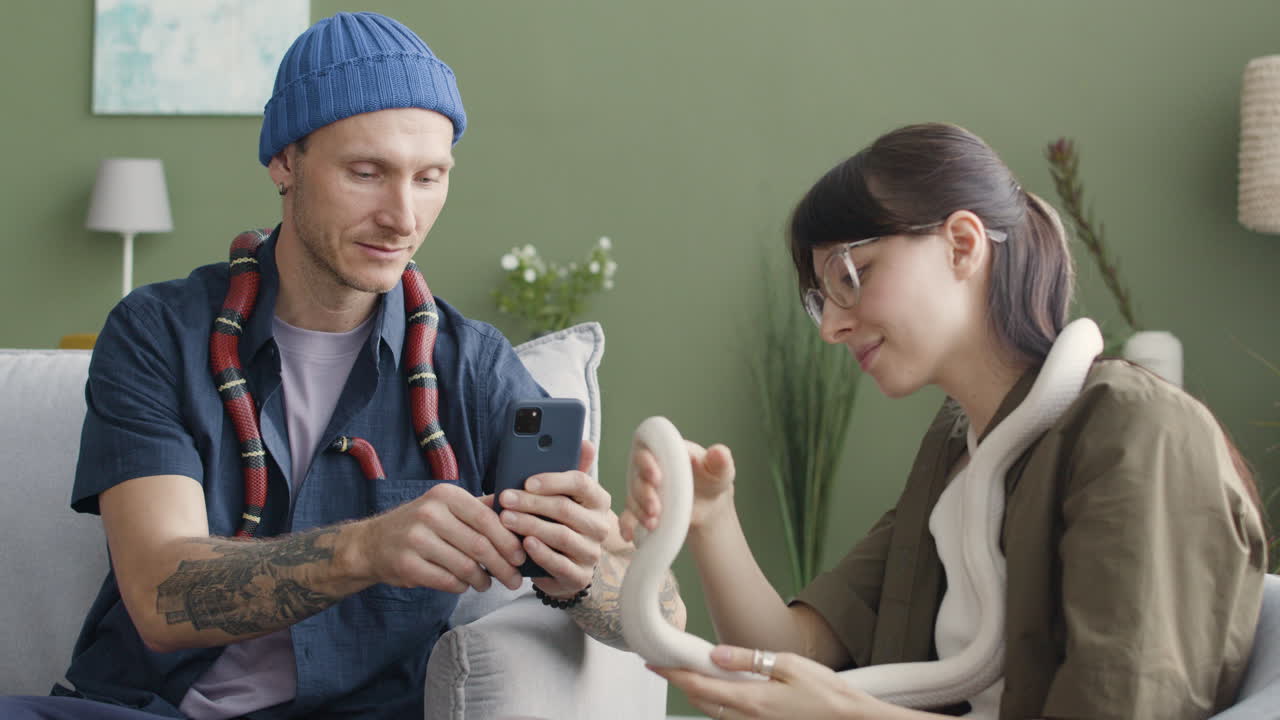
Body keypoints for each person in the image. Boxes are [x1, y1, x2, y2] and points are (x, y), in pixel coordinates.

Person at [0, 11, 681, 720]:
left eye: (430, 177)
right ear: (285, 162)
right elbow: (163, 595)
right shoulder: (156, 334)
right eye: (367, 172)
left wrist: (589, 573)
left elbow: (659, 614)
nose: (403, 216)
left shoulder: (471, 368)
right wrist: (367, 549)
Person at [622, 123, 1268, 720]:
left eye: (853, 274)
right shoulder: (958, 453)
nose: (831, 327)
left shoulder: (1136, 431)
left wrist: (848, 715)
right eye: (821, 298)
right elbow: (799, 652)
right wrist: (710, 517)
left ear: (961, 243)